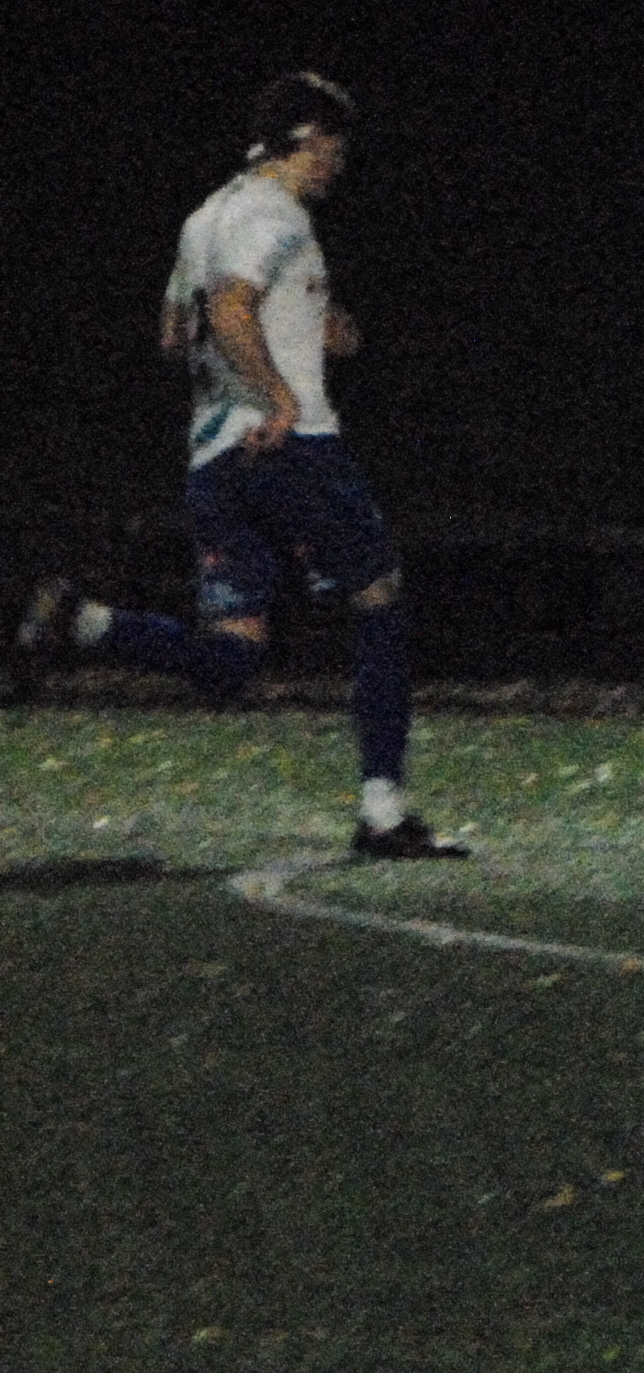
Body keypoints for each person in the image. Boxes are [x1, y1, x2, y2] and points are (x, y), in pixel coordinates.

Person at [17, 74, 468, 858]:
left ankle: (84, 623)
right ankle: (384, 811)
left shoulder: (204, 217)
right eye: (333, 148)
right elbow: (230, 306)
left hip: (214, 457)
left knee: (232, 656)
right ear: (306, 139)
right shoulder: (273, 213)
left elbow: (174, 333)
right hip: (288, 444)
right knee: (379, 595)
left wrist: (306, 322)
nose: (337, 165)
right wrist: (280, 396)